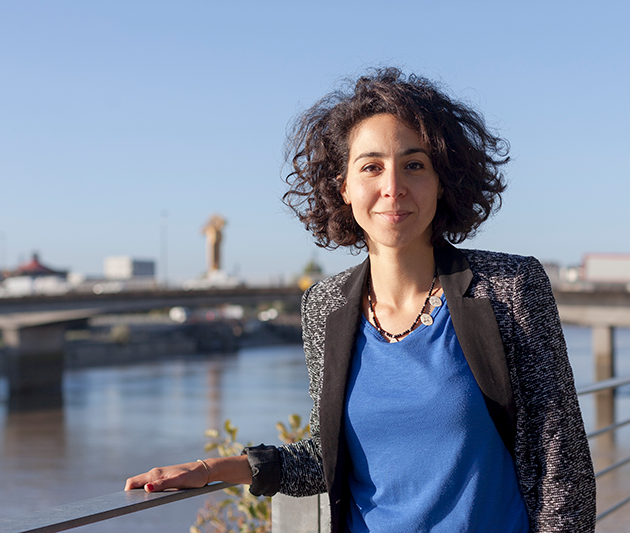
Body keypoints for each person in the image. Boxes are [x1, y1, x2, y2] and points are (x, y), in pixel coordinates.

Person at [126, 68, 596, 532]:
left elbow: (564, 470)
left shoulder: (509, 287)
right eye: (371, 166)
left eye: (415, 164)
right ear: (343, 186)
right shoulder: (324, 306)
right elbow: (325, 458)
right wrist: (213, 470)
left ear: (441, 181)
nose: (393, 187)